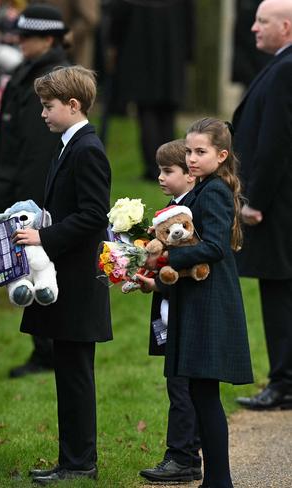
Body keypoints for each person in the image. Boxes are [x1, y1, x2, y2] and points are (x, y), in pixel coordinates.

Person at [137, 118, 253, 488]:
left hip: (211, 303)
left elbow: (216, 247)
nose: (191, 158)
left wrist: (168, 259)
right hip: (197, 300)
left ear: (221, 155)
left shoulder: (214, 190)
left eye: (200, 152)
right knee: (200, 393)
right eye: (188, 151)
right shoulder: (203, 188)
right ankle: (216, 480)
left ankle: (219, 481)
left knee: (205, 395)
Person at [13, 65, 111, 484]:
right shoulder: (69, 144)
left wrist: (43, 236)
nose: (43, 114)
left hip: (76, 278)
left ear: (73, 105)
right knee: (67, 370)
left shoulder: (87, 148)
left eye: (48, 106)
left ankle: (80, 462)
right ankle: (71, 459)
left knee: (75, 376)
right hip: (63, 274)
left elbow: (92, 214)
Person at [0, 4, 70, 379]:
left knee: (38, 269)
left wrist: (24, 203)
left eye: (27, 37)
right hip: (11, 182)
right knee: (29, 270)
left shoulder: (48, 78)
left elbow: (37, 146)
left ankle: (47, 351)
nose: (20, 41)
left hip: (28, 192)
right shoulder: (30, 72)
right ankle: (44, 349)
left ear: (48, 39)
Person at [233, 0, 292, 411]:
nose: (253, 28)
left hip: (278, 205)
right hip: (280, 201)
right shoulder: (281, 65)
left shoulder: (287, 69)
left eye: (262, 21)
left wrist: (253, 200)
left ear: (286, 27)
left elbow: (275, 142)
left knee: (279, 289)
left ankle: (284, 382)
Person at [138, 140, 202, 483]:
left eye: (168, 171)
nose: (161, 177)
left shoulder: (187, 216)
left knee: (181, 387)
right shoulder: (173, 209)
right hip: (170, 309)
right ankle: (187, 451)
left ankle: (182, 457)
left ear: (189, 176)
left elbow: (187, 267)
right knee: (178, 384)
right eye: (159, 170)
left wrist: (159, 283)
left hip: (184, 313)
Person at [107, 0, 194, 180]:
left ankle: (155, 168)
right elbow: (190, 24)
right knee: (166, 113)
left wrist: (114, 47)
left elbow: (118, 20)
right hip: (171, 53)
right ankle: (172, 165)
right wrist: (187, 54)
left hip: (140, 54)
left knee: (147, 112)